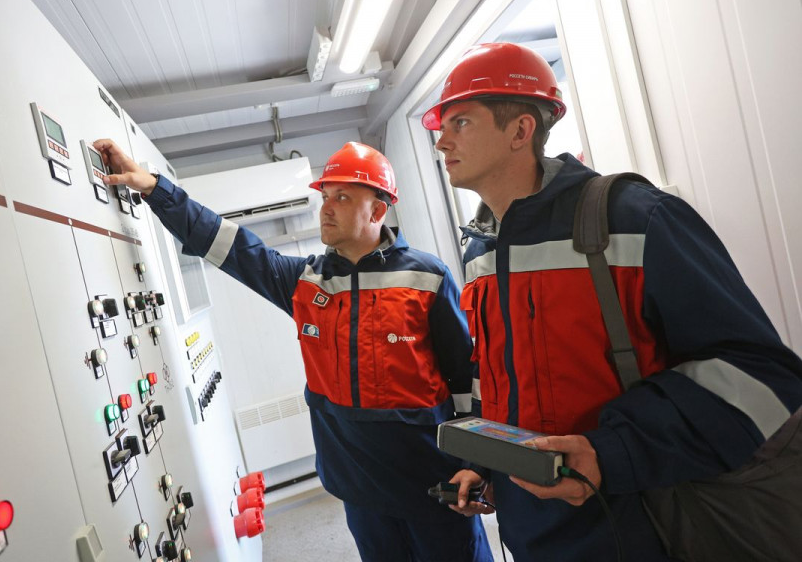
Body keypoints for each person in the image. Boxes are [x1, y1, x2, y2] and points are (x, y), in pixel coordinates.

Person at [423, 42, 802, 561]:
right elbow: (503, 377)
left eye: (460, 122)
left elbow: (759, 374)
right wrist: (491, 466)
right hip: (533, 526)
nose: (441, 142)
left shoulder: (634, 219)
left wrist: (613, 452)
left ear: (520, 131)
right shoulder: (482, 251)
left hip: (641, 524)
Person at [94, 139, 493, 562]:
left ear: (377, 210)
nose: (326, 207)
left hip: (431, 482)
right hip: (358, 487)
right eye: (325, 196)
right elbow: (229, 245)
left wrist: (479, 464)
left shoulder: (426, 277)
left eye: (342, 197)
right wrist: (156, 188)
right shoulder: (306, 282)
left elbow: (468, 376)